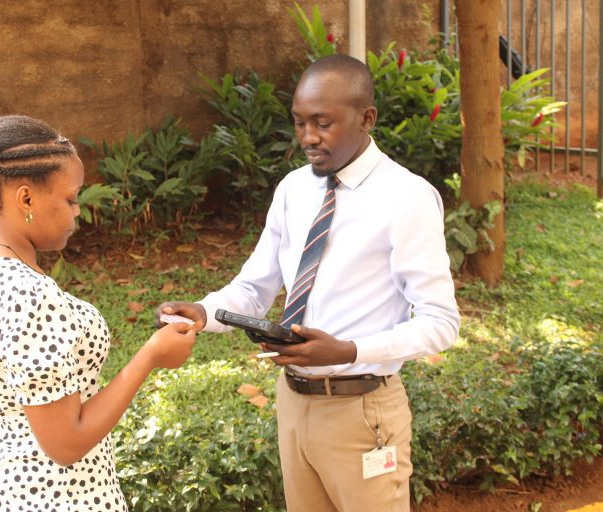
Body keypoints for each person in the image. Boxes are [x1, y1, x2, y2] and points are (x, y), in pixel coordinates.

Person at [157, 55, 460, 512]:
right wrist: (204, 312)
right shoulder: (293, 190)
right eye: (300, 122)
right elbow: (254, 288)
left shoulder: (407, 198)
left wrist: (347, 351)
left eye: (323, 123)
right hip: (294, 400)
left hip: (362, 411)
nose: (308, 137)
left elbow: (440, 322)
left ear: (366, 118)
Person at [0, 114, 196, 511]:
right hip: (52, 494)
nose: (77, 211)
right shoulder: (31, 296)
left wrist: (5, 388)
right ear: (26, 199)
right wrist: (151, 355)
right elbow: (66, 444)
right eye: (71, 199)